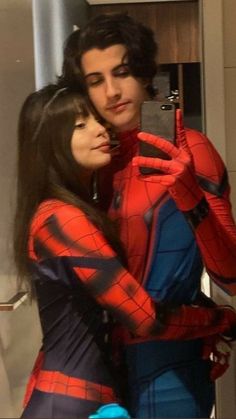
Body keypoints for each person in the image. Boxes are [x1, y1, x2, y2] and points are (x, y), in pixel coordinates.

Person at [59, 13, 236, 418]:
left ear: (142, 74)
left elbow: (231, 275)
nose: (112, 91)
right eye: (95, 80)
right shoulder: (98, 158)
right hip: (103, 363)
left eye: (121, 72)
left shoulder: (191, 150)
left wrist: (188, 192)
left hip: (170, 364)